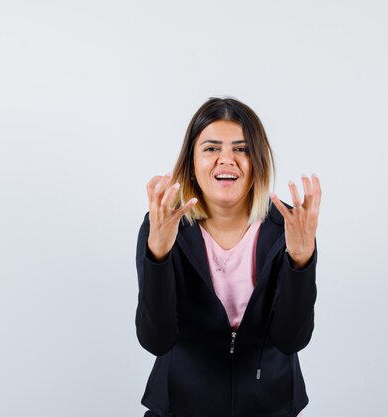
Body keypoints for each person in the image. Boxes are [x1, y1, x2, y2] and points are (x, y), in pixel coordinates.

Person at [135, 97, 322, 417]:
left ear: (259, 160)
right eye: (211, 148)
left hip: (271, 406)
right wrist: (159, 254)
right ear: (191, 161)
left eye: (241, 149)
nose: (227, 159)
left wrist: (301, 260)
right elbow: (157, 340)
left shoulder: (288, 227)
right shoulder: (164, 225)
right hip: (181, 407)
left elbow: (291, 339)